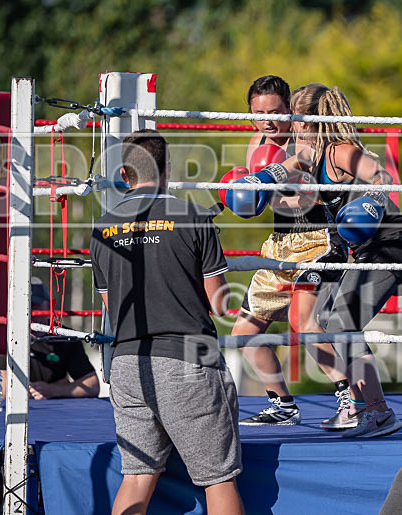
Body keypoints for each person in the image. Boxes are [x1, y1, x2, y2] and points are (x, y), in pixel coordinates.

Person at [90, 129, 243, 514]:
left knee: (137, 477)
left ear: (124, 176)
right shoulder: (191, 216)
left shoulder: (102, 227)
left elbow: (112, 308)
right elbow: (220, 302)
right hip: (188, 354)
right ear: (167, 170)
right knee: (217, 479)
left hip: (126, 362)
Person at [290, 83, 402, 437]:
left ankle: (380, 411)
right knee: (327, 320)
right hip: (364, 250)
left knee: (341, 321)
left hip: (390, 244)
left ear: (307, 120)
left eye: (294, 116)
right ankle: (363, 407)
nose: (290, 123)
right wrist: (248, 186)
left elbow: (381, 175)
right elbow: (281, 177)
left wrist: (372, 201)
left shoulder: (338, 150)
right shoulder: (309, 154)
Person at [228, 75, 353, 428]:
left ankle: (349, 399)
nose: (268, 119)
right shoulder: (256, 143)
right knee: (244, 334)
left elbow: (308, 190)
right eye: (259, 112)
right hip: (280, 242)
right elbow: (260, 203)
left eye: (276, 111)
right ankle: (283, 406)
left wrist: (270, 179)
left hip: (318, 239)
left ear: (290, 110)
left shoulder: (306, 140)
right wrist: (247, 194)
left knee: (304, 322)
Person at [0, 278, 100, 400]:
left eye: (34, 305)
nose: (29, 312)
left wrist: (53, 390)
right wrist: (58, 387)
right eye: (24, 305)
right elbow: (2, 387)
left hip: (56, 413)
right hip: (9, 415)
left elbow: (92, 385)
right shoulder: (4, 335)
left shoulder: (64, 336)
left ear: (49, 306)